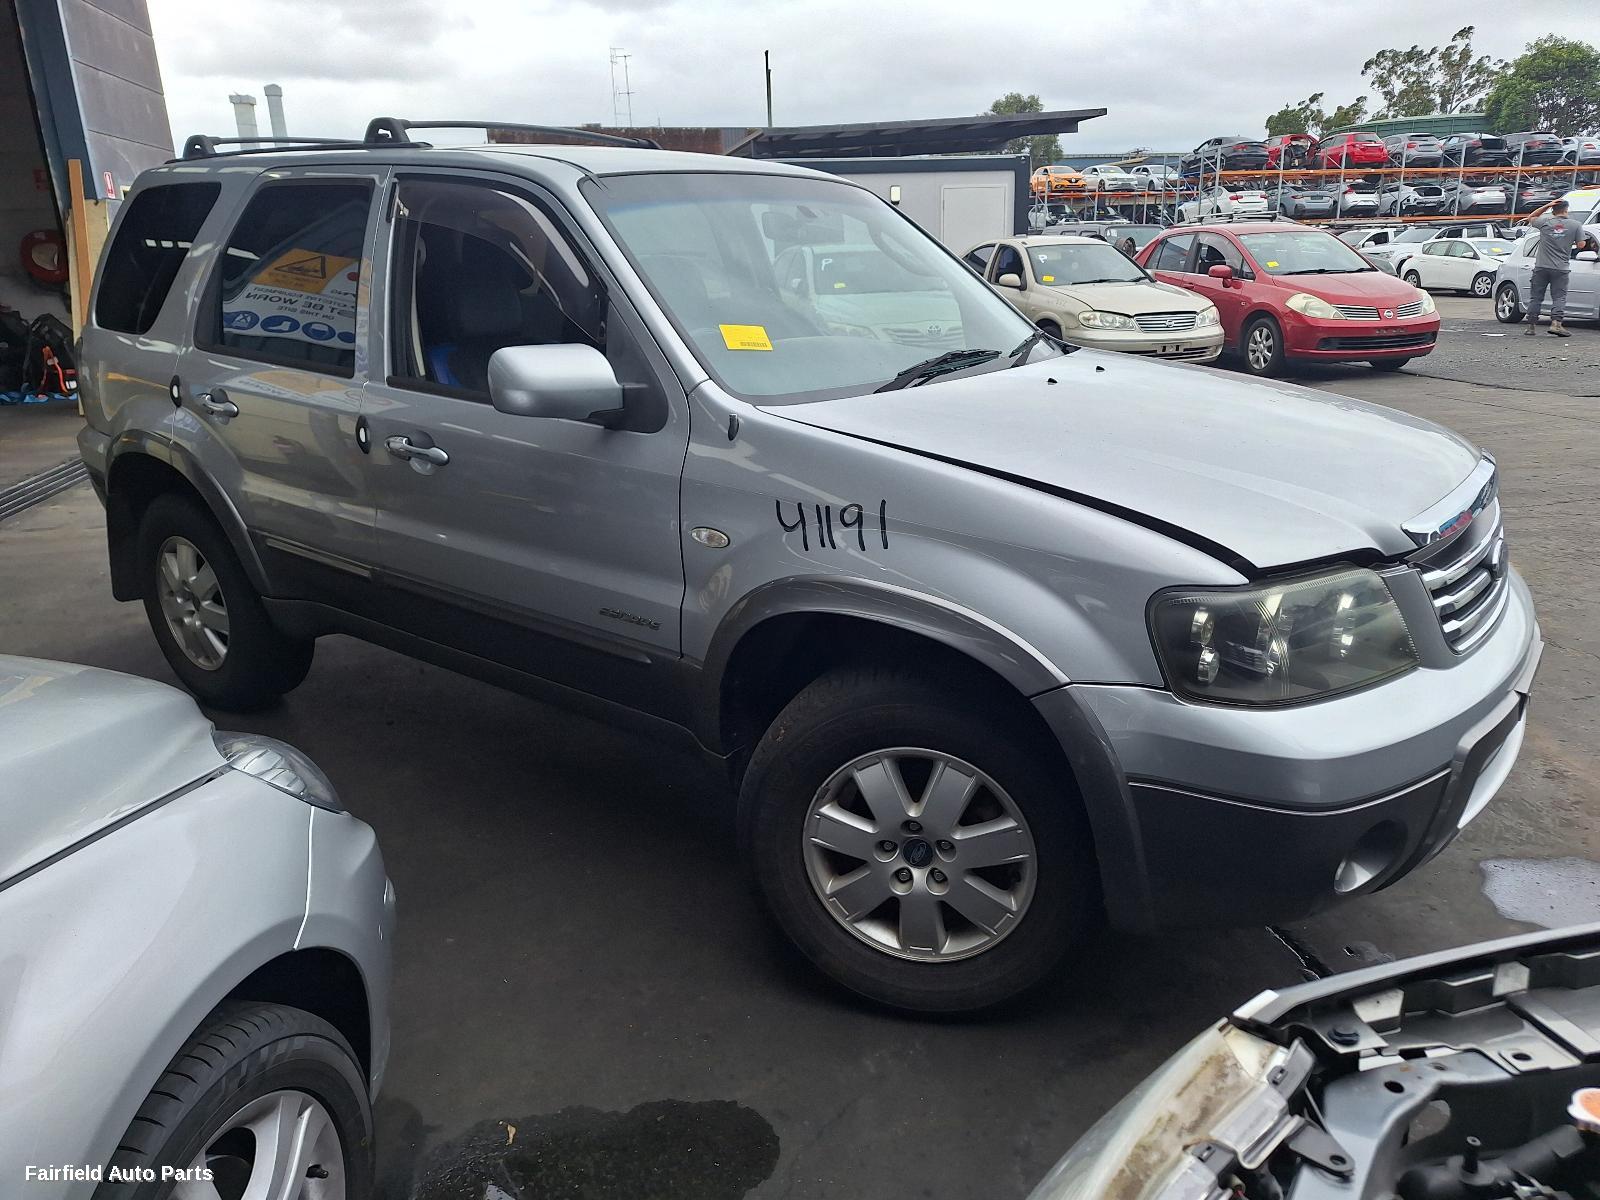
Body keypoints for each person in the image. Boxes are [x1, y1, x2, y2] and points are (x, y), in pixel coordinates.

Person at [1525, 200, 1597, 337]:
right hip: (1561, 268)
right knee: (1559, 296)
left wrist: (1546, 205)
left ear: (1553, 210)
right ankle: (1556, 324)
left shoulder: (1545, 222)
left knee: (1536, 297)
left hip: (1541, 267)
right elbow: (1581, 244)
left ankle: (1531, 326)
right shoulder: (1575, 225)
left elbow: (1531, 218)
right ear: (1566, 210)